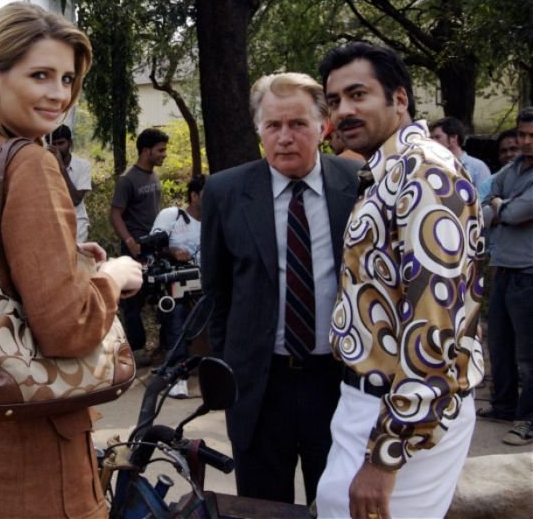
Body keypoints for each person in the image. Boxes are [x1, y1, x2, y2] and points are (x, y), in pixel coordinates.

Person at [0, 2, 142, 519]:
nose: (59, 94)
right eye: (40, 75)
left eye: (67, 78)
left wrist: (66, 260)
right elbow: (68, 327)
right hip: (37, 472)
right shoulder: (30, 162)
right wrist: (110, 277)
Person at [316, 42, 485, 519]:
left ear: (400, 99)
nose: (343, 110)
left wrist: (387, 455)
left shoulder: (426, 171)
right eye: (334, 101)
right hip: (367, 404)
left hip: (405, 419)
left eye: (357, 94)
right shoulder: (386, 171)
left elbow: (434, 322)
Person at [202, 73, 361, 506]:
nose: (285, 138)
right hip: (260, 386)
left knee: (335, 505)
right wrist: (227, 372)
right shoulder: (225, 191)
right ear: (259, 130)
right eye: (273, 126)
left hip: (337, 383)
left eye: (298, 125)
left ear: (323, 127)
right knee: (261, 506)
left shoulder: (360, 184)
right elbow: (216, 292)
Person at [478, 107, 533, 446]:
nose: (526, 141)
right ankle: (504, 406)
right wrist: (501, 207)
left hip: (529, 272)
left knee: (529, 355)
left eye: (531, 136)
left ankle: (528, 419)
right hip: (504, 268)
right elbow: (481, 209)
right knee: (498, 344)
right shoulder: (513, 169)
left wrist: (501, 207)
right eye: (522, 134)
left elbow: (516, 213)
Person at [110, 127, 169, 353]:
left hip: (155, 247)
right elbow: (115, 214)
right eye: (160, 150)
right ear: (146, 151)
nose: (164, 154)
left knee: (161, 295)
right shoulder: (128, 180)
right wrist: (130, 241)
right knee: (133, 301)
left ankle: (163, 347)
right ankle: (136, 350)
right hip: (135, 250)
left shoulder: (154, 174)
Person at [149, 174, 206, 398]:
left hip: (207, 280)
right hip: (175, 280)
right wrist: (172, 251)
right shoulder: (173, 216)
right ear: (194, 196)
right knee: (176, 313)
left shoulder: (215, 219)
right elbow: (153, 246)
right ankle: (177, 375)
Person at [50, 124, 92, 243]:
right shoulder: (46, 166)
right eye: (54, 144)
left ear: (70, 143)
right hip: (54, 224)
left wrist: (61, 168)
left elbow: (76, 199)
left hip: (78, 223)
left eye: (61, 143)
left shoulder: (83, 165)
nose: (58, 149)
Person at [430, 116, 491, 190]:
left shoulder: (477, 167)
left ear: (453, 138)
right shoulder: (432, 166)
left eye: (437, 137)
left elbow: (485, 197)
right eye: (431, 138)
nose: (432, 142)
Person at [478, 128, 520, 199]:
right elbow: (481, 208)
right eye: (503, 151)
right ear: (498, 156)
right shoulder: (488, 183)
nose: (508, 154)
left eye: (513, 149)